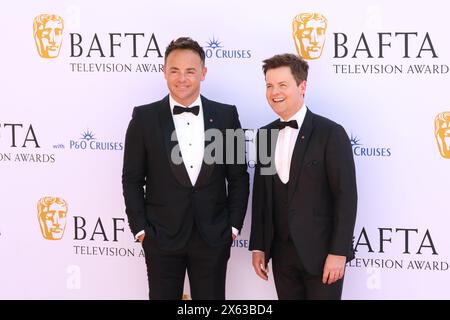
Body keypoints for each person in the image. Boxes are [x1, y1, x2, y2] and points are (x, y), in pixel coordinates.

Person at [122, 37, 249, 300]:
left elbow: (238, 177)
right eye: (174, 70)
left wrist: (233, 226)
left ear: (203, 73)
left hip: (213, 237)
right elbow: (132, 179)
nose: (182, 78)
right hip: (161, 237)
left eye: (190, 71)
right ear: (164, 72)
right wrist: (141, 230)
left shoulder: (226, 116)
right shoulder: (144, 118)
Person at [249, 53, 357, 300]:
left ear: (302, 86)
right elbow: (262, 198)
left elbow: (346, 196)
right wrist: (258, 246)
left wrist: (338, 252)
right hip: (282, 255)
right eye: (269, 85)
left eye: (282, 85)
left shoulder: (331, 133)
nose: (274, 92)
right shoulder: (265, 135)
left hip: (322, 256)